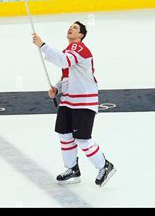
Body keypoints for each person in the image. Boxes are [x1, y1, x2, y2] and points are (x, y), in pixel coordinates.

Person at [32, 21, 116, 187]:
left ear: (81, 35)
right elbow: (67, 75)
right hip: (68, 101)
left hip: (83, 101)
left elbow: (64, 62)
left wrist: (42, 45)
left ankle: (104, 166)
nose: (71, 28)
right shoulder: (68, 51)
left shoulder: (79, 49)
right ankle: (72, 169)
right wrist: (57, 88)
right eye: (70, 26)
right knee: (64, 135)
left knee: (83, 139)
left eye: (75, 28)